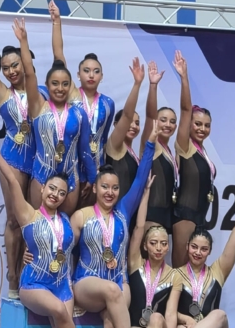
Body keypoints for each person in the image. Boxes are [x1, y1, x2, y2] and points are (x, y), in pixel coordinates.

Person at [0, 1, 47, 298]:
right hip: (13, 160)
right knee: (14, 219)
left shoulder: (42, 92)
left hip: (39, 163)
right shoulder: (1, 94)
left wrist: (23, 41)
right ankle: (13, 278)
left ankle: (31, 275)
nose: (11, 71)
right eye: (6, 68)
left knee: (35, 221)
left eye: (16, 65)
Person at [0, 127, 75, 328]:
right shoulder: (28, 214)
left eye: (62, 193)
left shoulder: (66, 220)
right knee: (59, 310)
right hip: (34, 284)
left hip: (63, 287)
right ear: (42, 188)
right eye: (52, 188)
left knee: (62, 319)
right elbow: (12, 181)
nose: (55, 194)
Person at [70, 121, 158, 328]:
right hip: (87, 282)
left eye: (115, 188)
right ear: (95, 188)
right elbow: (63, 249)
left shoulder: (123, 211)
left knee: (111, 319)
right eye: (105, 187)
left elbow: (140, 180)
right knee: (112, 291)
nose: (110, 192)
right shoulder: (81, 216)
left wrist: (151, 143)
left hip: (119, 280)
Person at [12, 17, 97, 216]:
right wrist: (23, 42)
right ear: (47, 85)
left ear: (71, 86)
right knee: (38, 226)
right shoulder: (38, 107)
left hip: (71, 179)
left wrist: (92, 177)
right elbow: (29, 73)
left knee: (64, 228)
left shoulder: (79, 113)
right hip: (41, 175)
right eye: (55, 84)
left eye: (65, 84)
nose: (60, 88)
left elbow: (85, 150)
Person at [49, 0, 115, 206]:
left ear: (102, 76)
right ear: (78, 75)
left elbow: (103, 138)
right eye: (86, 71)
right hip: (72, 166)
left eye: (96, 71)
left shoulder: (108, 104)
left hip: (96, 168)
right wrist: (57, 21)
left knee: (90, 217)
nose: (91, 75)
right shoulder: (73, 95)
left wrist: (96, 174)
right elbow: (59, 56)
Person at [170, 196, 235, 328]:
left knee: (219, 314)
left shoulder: (218, 271)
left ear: (210, 251)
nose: (198, 252)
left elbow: (233, 241)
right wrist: (184, 319)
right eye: (194, 247)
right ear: (187, 246)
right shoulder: (174, 275)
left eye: (204, 249)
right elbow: (168, 311)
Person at [172, 50, 215, 268]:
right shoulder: (185, 147)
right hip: (185, 217)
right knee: (180, 271)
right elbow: (185, 109)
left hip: (199, 217)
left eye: (206, 125)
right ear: (188, 125)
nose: (202, 128)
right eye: (197, 124)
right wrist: (184, 77)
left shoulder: (202, 152)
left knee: (192, 274)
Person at [127, 173, 177, 328]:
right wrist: (146, 193)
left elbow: (170, 314)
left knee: (156, 318)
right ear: (145, 246)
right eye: (153, 243)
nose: (158, 248)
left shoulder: (174, 275)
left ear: (168, 247)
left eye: (163, 243)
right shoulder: (136, 264)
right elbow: (139, 227)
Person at [139, 61, 177, 235]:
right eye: (163, 120)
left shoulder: (169, 151)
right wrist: (153, 86)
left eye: (172, 121)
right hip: (150, 213)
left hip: (167, 214)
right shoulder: (152, 145)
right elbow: (150, 116)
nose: (168, 124)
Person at [104, 58, 145, 201]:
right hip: (114, 209)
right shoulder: (114, 145)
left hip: (130, 210)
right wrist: (137, 84)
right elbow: (127, 115)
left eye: (137, 123)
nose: (133, 126)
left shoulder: (132, 153)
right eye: (130, 122)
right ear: (116, 125)